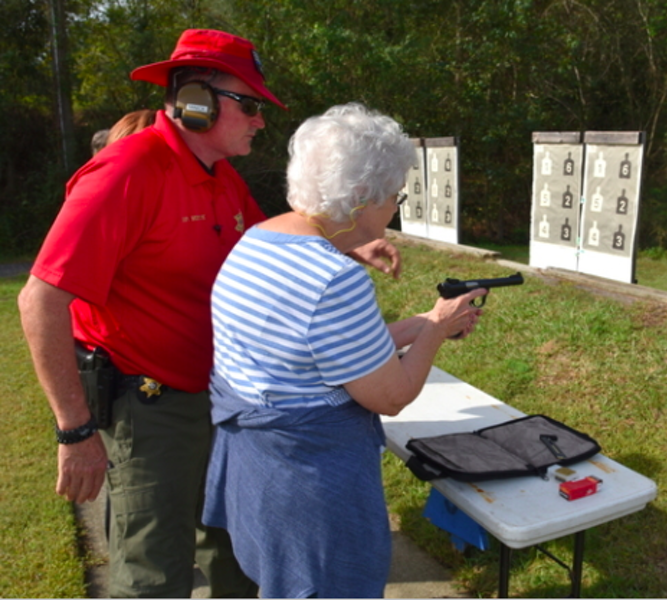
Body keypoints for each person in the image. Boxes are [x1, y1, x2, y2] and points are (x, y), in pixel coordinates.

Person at [18, 30, 401, 598]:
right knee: (153, 574)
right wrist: (75, 432)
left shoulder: (221, 177)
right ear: (195, 101)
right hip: (150, 409)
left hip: (220, 402)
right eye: (248, 105)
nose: (260, 121)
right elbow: (41, 299)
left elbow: (276, 243)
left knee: (234, 554)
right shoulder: (128, 172)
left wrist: (349, 243)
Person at [201, 103, 484, 598]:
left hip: (260, 477)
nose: (395, 205)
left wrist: (425, 323)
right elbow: (391, 395)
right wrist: (437, 329)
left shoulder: (256, 240)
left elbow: (318, 349)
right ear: (359, 198)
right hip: (311, 493)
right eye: (393, 194)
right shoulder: (334, 276)